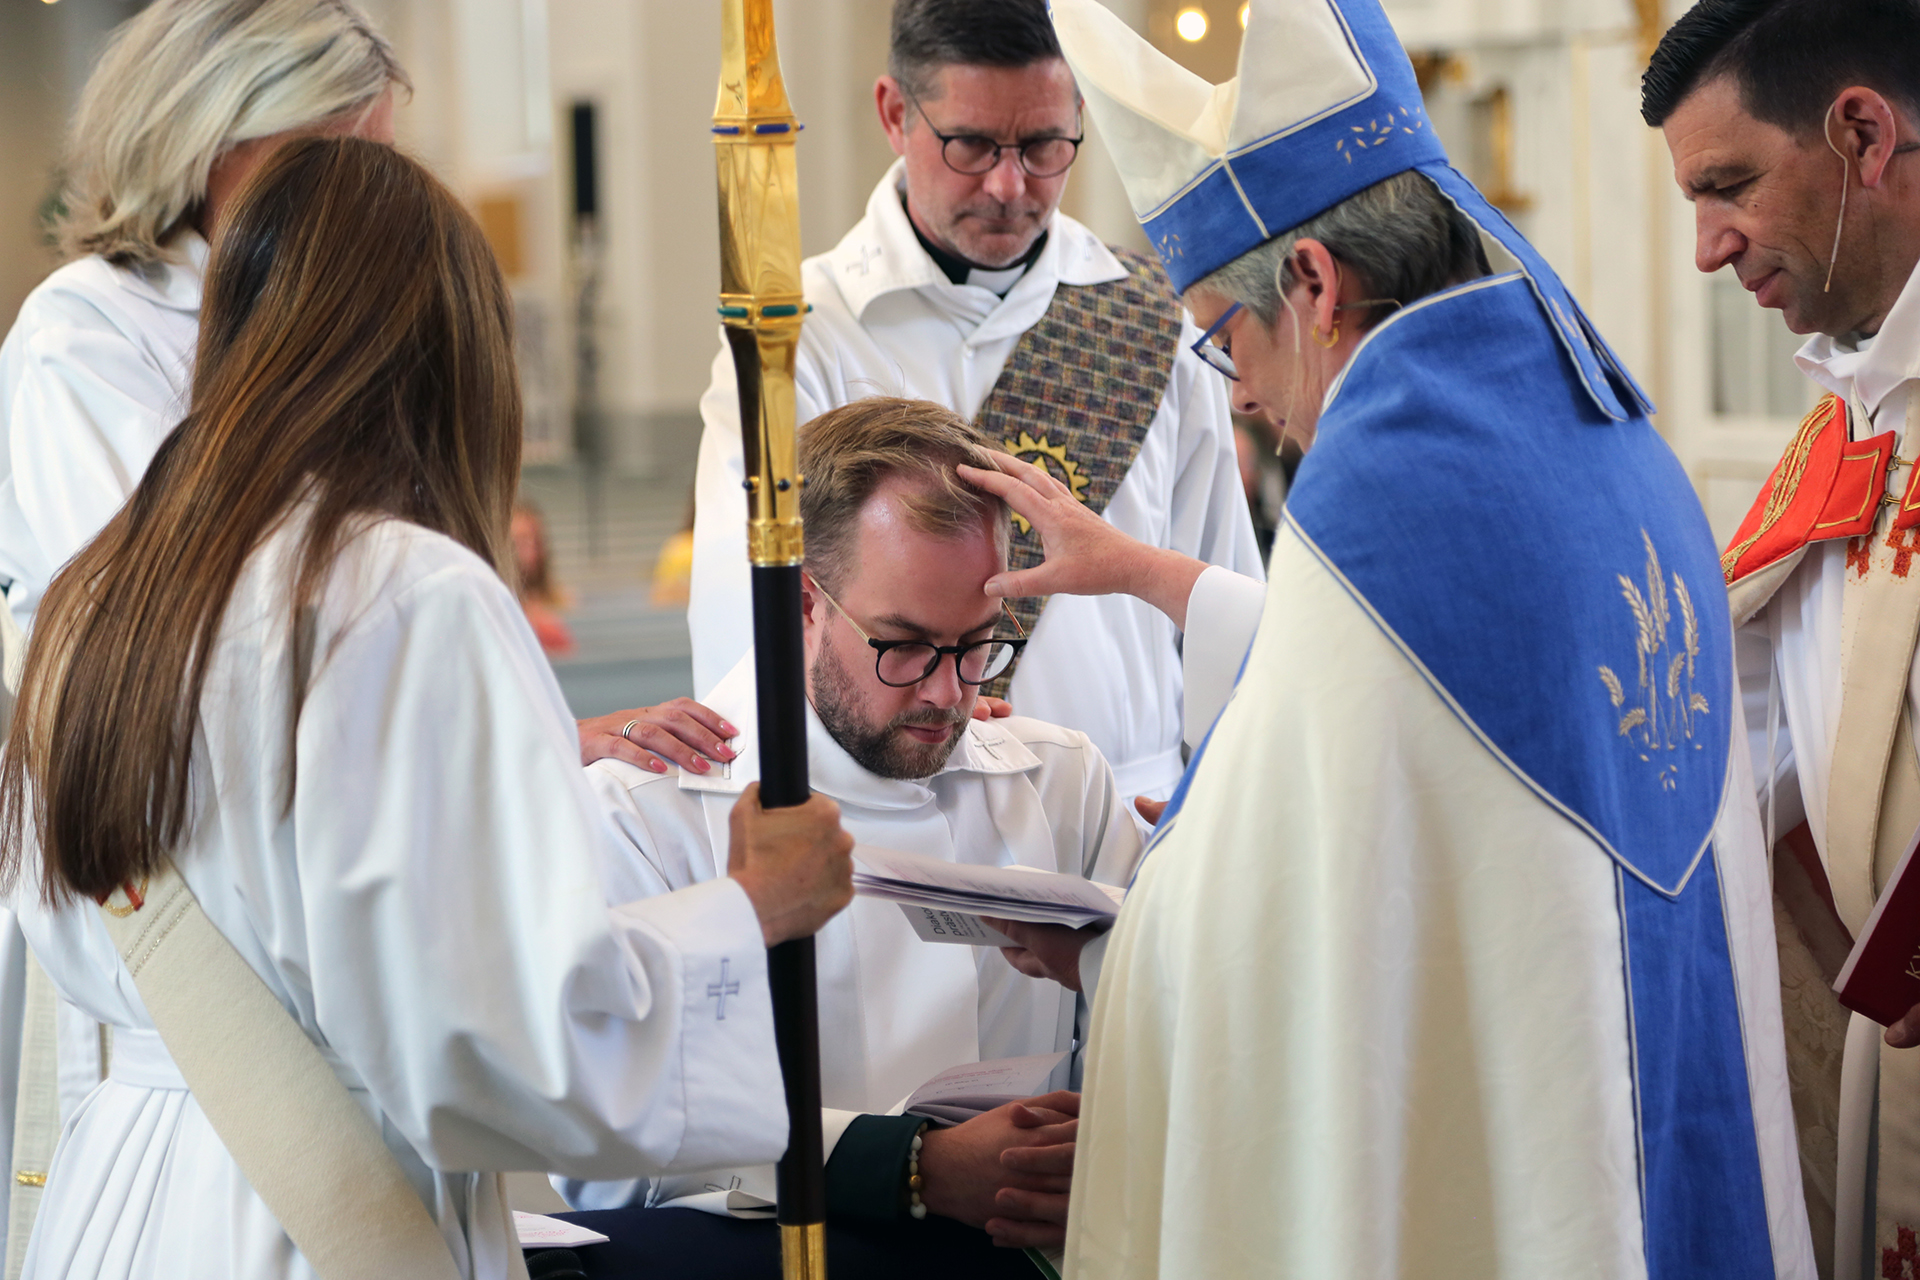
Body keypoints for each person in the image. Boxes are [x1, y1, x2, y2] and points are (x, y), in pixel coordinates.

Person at [964, 0, 1816, 1276]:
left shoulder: (1382, 486)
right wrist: (1150, 576)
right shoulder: (1590, 411)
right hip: (1651, 1091)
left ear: (1311, 283)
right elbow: (1427, 714)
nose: (1238, 389)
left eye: (1224, 335)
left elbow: (1261, 933)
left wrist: (1109, 940)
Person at [0, 136, 855, 1280]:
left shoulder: (104, 585)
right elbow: (501, 1040)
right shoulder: (401, 593)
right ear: (450, 352)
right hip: (309, 1199)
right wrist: (749, 907)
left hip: (122, 1186)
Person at [554, 398, 1138, 1275]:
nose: (947, 694)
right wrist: (912, 1169)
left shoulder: (1064, 780)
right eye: (902, 646)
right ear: (802, 604)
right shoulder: (644, 812)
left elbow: (1152, 1046)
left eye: (978, 644)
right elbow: (607, 1160)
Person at [687, 0, 1262, 805]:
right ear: (895, 113)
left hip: (1130, 817)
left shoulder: (1156, 321)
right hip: (882, 823)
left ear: (1079, 117)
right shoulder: (799, 332)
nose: (1007, 184)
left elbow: (1222, 593)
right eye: (971, 145)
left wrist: (1221, 812)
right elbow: (744, 616)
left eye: (1042, 146)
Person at [1643, 2, 1920, 1274]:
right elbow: (1739, 747)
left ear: (1861, 131)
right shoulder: (1849, 418)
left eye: (1730, 184)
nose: (1708, 247)